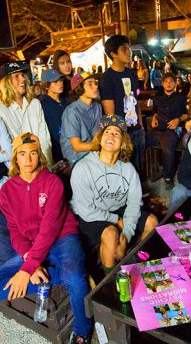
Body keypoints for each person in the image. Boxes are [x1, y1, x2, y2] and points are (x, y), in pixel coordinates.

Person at [0, 133, 92, 344]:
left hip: (62, 238)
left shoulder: (53, 182)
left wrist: (28, 269)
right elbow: (15, 232)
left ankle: (83, 331)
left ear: (39, 156)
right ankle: (53, 276)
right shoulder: (7, 192)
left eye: (33, 154)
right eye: (22, 154)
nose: (28, 159)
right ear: (15, 159)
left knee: (76, 279)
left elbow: (49, 229)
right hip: (32, 247)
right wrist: (30, 260)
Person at [70, 115, 158, 273]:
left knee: (152, 222)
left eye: (116, 133)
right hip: (92, 215)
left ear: (123, 142)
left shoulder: (128, 168)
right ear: (100, 139)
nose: (111, 135)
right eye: (107, 132)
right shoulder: (83, 168)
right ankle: (109, 281)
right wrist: (116, 220)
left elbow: (133, 202)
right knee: (111, 234)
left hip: (118, 208)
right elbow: (86, 211)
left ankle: (136, 264)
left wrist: (126, 235)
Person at [100, 35, 145, 176]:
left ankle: (140, 195)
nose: (129, 52)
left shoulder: (131, 73)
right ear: (113, 54)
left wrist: (141, 125)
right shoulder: (107, 78)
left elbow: (135, 100)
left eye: (129, 49)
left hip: (137, 129)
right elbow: (109, 112)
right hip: (122, 132)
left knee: (139, 167)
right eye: (124, 49)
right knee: (125, 169)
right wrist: (119, 133)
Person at [0, 63, 53, 165]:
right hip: (20, 170)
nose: (22, 79)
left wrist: (46, 165)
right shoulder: (0, 110)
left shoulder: (35, 103)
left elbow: (44, 138)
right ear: (7, 82)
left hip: (42, 164)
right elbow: (9, 148)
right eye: (16, 76)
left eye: (23, 75)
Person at [146, 73, 188, 189]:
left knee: (168, 148)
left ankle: (168, 177)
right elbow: (155, 111)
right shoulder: (157, 98)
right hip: (158, 130)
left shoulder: (181, 98)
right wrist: (154, 118)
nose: (168, 83)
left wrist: (177, 120)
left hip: (172, 130)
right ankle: (140, 173)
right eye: (166, 81)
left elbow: (186, 115)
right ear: (163, 83)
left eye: (171, 81)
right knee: (140, 142)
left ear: (175, 83)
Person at [60, 71, 102, 166]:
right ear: (79, 88)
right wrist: (102, 145)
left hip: (92, 152)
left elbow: (96, 134)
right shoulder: (72, 111)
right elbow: (77, 146)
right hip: (76, 158)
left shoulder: (97, 107)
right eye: (90, 84)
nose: (95, 87)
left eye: (95, 83)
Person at [39, 69, 69, 163]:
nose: (60, 83)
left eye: (61, 80)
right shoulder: (42, 104)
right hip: (56, 153)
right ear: (47, 85)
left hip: (71, 148)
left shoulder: (66, 101)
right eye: (55, 81)